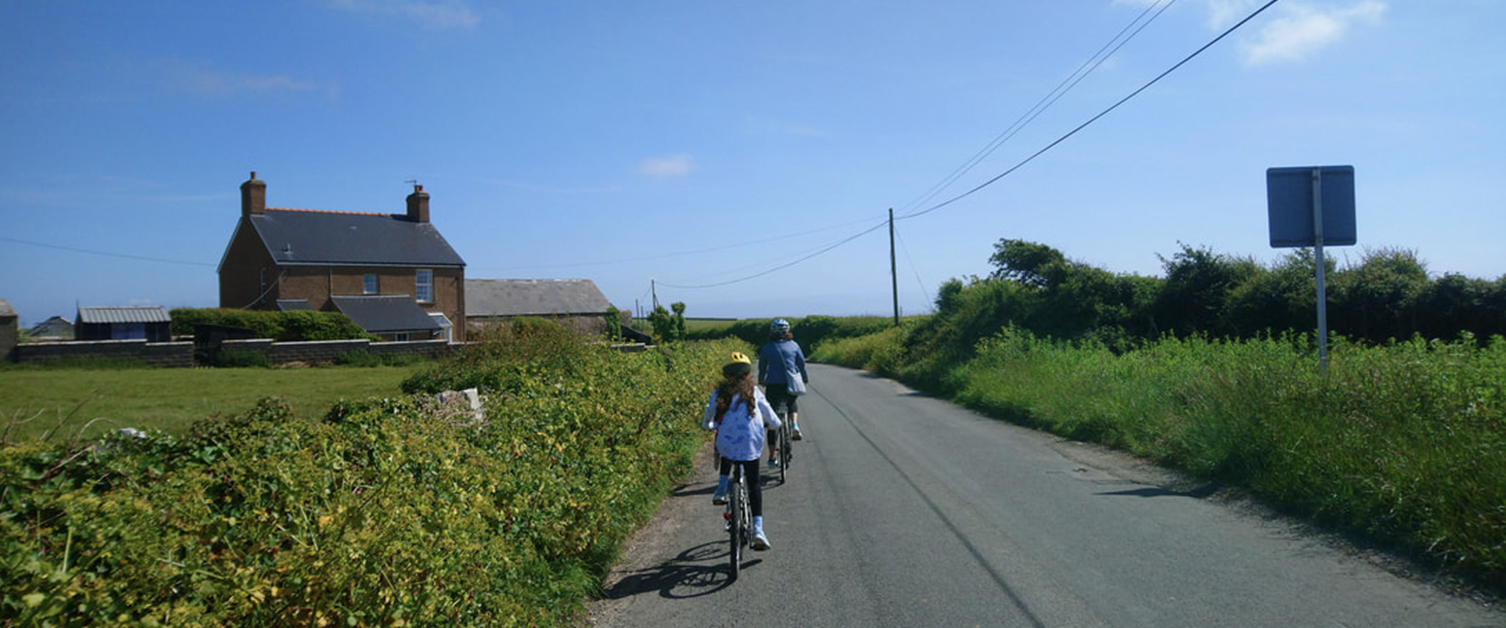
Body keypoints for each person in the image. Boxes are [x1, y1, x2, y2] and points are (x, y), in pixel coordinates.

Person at [703, 352, 780, 550]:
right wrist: (774, 424)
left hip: (727, 445)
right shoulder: (754, 391)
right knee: (753, 483)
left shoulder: (720, 392)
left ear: (727, 375)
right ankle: (758, 529)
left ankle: (721, 488)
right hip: (750, 444)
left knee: (726, 444)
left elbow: (709, 412)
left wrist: (708, 424)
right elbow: (770, 415)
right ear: (747, 374)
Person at [758, 318, 809, 467]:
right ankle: (794, 426)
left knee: (773, 420)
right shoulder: (794, 345)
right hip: (790, 383)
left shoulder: (767, 348)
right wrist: (804, 378)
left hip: (773, 385)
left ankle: (772, 457)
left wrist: (762, 379)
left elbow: (762, 366)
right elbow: (801, 363)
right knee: (792, 402)